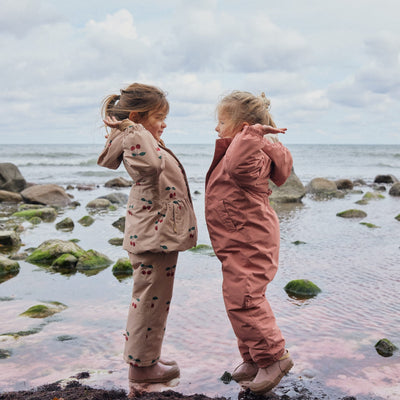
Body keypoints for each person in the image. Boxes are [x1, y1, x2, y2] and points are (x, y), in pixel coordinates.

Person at [97, 82, 197, 384]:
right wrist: (135, 130)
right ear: (137, 117)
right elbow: (151, 168)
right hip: (153, 234)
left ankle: (146, 356)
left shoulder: (140, 137)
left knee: (155, 300)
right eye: (158, 117)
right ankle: (141, 368)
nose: (164, 124)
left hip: (158, 232)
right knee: (149, 300)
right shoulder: (137, 140)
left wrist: (138, 130)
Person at [205, 90, 294, 394]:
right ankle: (254, 358)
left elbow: (237, 167)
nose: (216, 128)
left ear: (243, 126)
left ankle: (274, 358)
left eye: (221, 121)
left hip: (250, 240)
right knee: (236, 300)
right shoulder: (240, 149)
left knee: (246, 299)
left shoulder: (250, 152)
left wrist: (251, 135)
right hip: (236, 241)